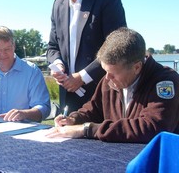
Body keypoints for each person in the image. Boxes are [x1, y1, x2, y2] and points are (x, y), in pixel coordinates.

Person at [46, 28, 179, 143]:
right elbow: (93, 110)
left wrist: (87, 129)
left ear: (137, 67)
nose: (107, 78)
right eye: (105, 71)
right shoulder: (109, 80)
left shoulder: (165, 82)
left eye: (113, 73)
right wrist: (73, 119)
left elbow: (153, 128)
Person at [47, 0, 127, 114]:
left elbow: (117, 46)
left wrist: (82, 77)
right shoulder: (57, 4)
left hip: (103, 94)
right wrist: (57, 65)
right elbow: (52, 47)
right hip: (68, 98)